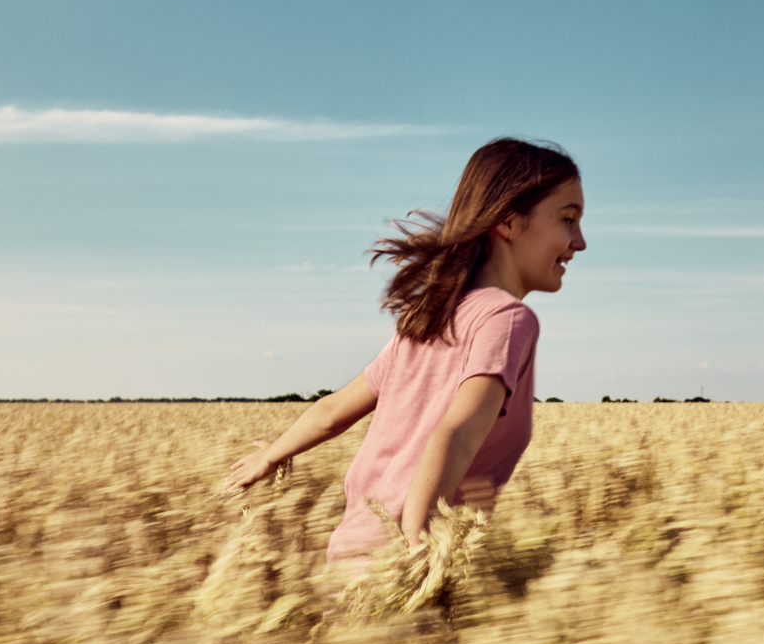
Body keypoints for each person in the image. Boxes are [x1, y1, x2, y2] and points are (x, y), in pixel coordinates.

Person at [223, 137, 586, 565]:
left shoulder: (428, 320)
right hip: (409, 562)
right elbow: (458, 433)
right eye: (568, 220)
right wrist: (417, 544)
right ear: (507, 222)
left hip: (352, 554)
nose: (579, 242)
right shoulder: (507, 319)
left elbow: (332, 412)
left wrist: (270, 455)